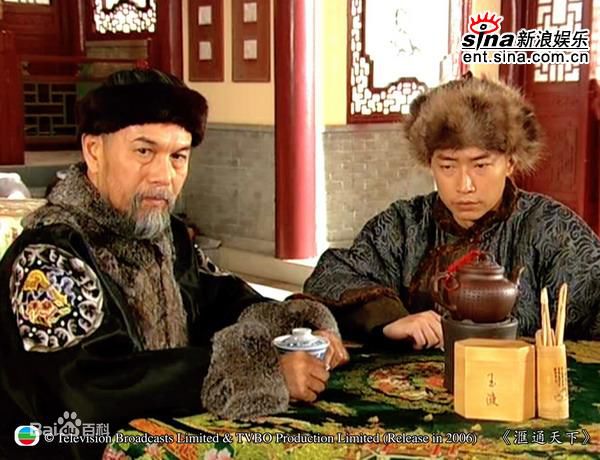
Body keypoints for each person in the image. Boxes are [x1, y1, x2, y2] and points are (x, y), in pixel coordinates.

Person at [0, 69, 348, 459]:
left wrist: (299, 330)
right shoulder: (48, 256)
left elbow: (222, 298)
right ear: (94, 151)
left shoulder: (167, 237)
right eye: (144, 152)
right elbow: (89, 387)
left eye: (178, 157)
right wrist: (257, 372)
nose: (163, 176)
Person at [302, 75, 600, 349]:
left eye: (480, 165)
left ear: (510, 162)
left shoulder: (552, 229)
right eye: (447, 166)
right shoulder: (404, 225)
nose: (464, 185)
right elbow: (332, 276)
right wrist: (390, 320)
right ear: (429, 163)